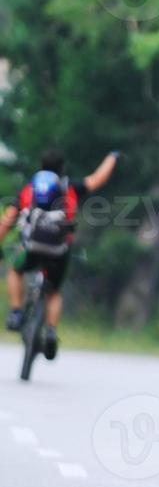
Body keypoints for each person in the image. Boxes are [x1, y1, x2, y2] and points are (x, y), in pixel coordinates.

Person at [0, 147, 120, 358]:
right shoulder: (70, 187)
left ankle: (16, 313)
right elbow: (97, 179)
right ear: (62, 169)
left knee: (15, 271)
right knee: (53, 292)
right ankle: (52, 332)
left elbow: (8, 219)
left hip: (31, 247)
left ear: (41, 167)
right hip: (58, 250)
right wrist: (113, 157)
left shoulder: (30, 189)